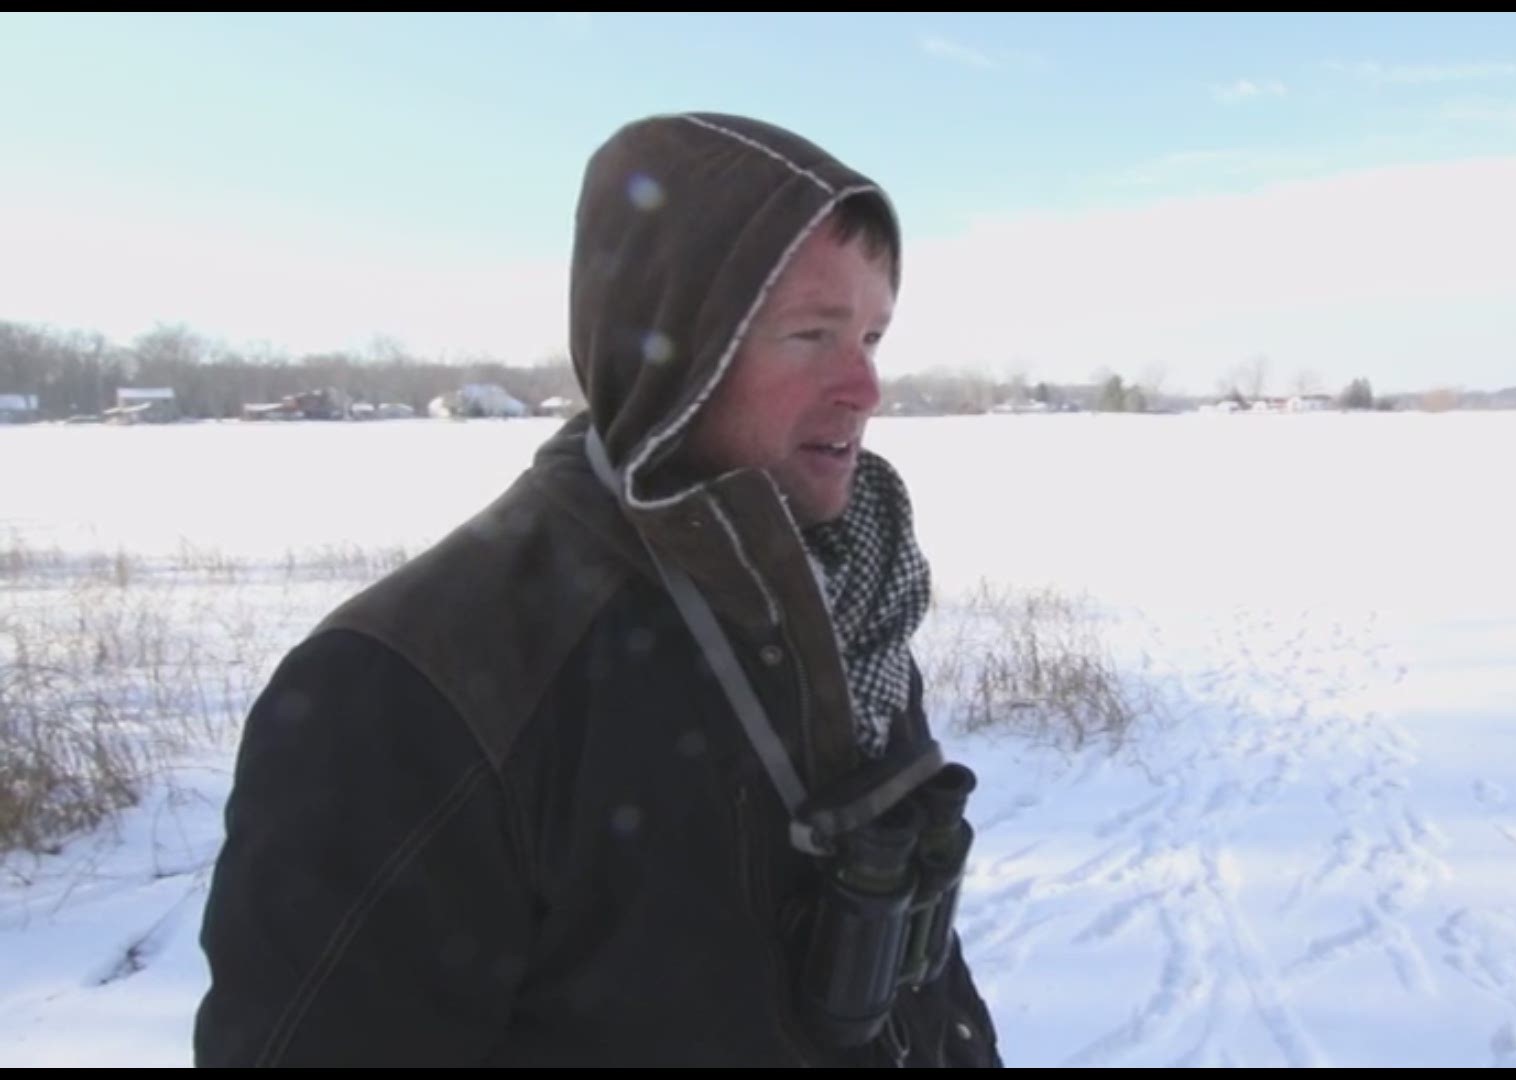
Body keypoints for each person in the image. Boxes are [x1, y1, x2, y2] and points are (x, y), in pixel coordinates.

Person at [193, 112, 1002, 1068]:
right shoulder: (412, 689)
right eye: (811, 334)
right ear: (673, 354)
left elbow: (912, 966)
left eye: (871, 334)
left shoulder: (846, 594)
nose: (864, 385)